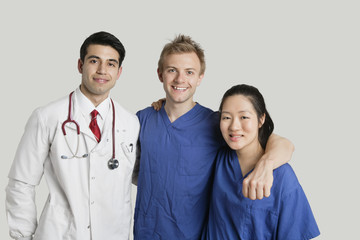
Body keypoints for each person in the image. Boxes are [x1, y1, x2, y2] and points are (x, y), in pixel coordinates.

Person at [132, 35, 295, 239]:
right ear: (160, 74)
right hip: (145, 233)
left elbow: (280, 143)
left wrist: (267, 164)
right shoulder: (142, 119)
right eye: (172, 70)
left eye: (189, 72)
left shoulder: (216, 123)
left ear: (200, 77)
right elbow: (134, 172)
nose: (180, 79)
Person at [5, 31, 140, 240]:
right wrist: (22, 236)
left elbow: (141, 176)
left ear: (119, 72)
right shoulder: (47, 117)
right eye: (94, 61)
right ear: (80, 65)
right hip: (60, 234)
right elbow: (21, 182)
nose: (102, 70)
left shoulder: (131, 123)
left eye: (111, 64)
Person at [202, 84, 320, 239]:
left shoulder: (283, 176)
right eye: (226, 117)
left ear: (261, 119)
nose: (234, 126)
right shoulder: (217, 158)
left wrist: (266, 164)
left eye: (244, 117)